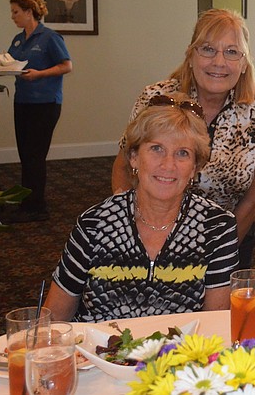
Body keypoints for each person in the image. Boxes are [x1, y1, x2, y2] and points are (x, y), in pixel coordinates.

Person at [45, 94, 239, 321]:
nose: (168, 165)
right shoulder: (94, 224)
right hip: (99, 354)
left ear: (195, 167)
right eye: (157, 148)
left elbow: (214, 324)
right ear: (134, 157)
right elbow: (54, 320)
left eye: (182, 153)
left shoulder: (216, 227)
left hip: (180, 355)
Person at [111, 9, 255, 268]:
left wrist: (221, 251)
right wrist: (130, 228)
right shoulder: (155, 99)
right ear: (191, 56)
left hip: (230, 236)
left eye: (232, 52)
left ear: (244, 63)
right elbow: (123, 167)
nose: (219, 62)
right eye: (208, 49)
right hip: (152, 235)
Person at [0, 0, 72, 223]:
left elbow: (66, 66)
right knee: (25, 153)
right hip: (23, 102)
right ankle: (27, 202)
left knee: (35, 154)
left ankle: (37, 207)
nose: (12, 17)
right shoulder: (19, 39)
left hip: (45, 103)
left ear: (29, 12)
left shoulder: (49, 37)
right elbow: (6, 67)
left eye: (15, 12)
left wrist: (40, 74)